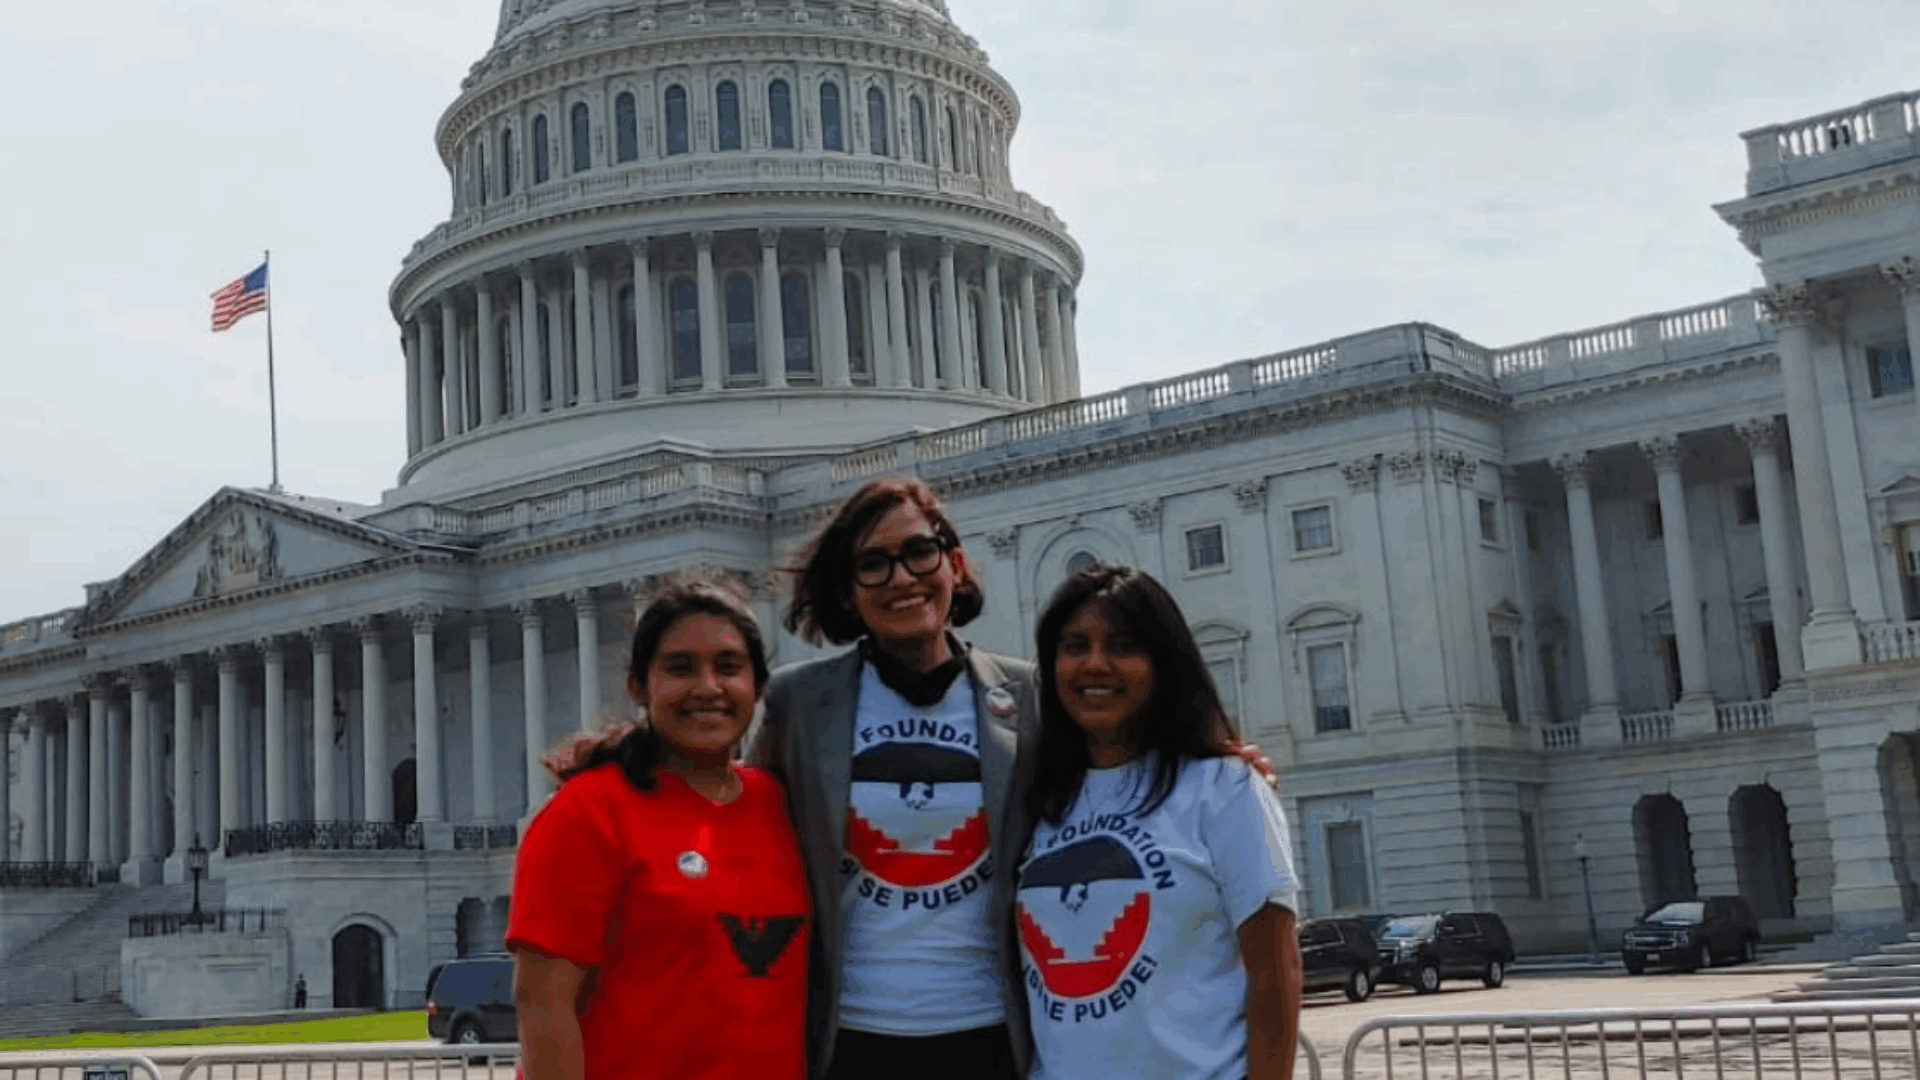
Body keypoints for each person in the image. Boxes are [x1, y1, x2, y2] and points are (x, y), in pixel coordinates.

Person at [750, 476, 1038, 1080]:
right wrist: (624, 761)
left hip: (991, 1032)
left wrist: (1219, 756)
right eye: (873, 565)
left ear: (954, 564)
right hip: (852, 1038)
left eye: (918, 553)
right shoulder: (798, 704)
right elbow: (733, 818)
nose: (902, 578)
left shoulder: (1030, 696)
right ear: (849, 592)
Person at [508, 578, 811, 1080]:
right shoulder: (587, 813)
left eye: (729, 667)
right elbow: (543, 1006)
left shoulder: (784, 804)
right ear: (638, 687)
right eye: (680, 668)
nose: (708, 688)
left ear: (757, 686)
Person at [1017, 563, 1303, 1080]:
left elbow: (1275, 973)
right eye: (1075, 646)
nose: (1096, 664)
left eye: (1124, 646)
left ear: (1164, 662)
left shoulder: (1226, 789)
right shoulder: (1037, 799)